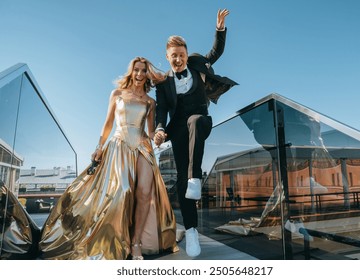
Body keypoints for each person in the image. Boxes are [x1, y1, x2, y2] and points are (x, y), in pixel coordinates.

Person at [39, 57, 177, 260]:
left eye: (143, 71)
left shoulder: (150, 101)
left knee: (145, 193)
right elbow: (108, 124)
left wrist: (158, 137)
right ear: (131, 72)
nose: (139, 74)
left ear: (147, 74)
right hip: (119, 145)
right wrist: (99, 146)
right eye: (136, 70)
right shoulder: (117, 94)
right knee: (122, 189)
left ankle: (136, 242)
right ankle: (116, 240)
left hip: (142, 147)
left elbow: (149, 130)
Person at [154, 9, 238, 257]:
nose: (178, 59)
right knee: (181, 180)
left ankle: (195, 179)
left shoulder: (198, 62)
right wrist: (159, 129)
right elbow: (161, 111)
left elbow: (216, 52)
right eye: (173, 57)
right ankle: (191, 231)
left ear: (186, 54)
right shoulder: (163, 83)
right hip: (178, 131)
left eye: (181, 55)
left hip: (201, 121)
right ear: (167, 57)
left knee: (196, 121)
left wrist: (219, 29)